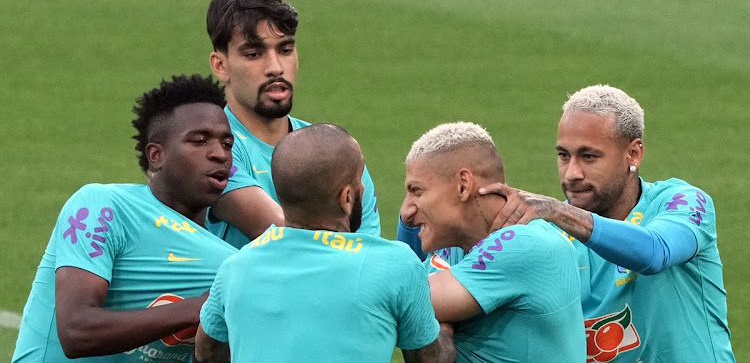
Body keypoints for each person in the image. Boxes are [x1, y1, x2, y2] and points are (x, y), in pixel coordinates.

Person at [479, 85, 735, 362]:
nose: (572, 173)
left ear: (634, 154)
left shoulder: (682, 201)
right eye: (564, 156)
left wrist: (558, 212)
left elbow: (655, 252)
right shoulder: (547, 234)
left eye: (589, 157)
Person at [12, 75, 239, 362]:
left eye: (227, 144)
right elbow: (77, 331)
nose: (219, 154)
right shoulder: (104, 207)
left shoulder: (221, 250)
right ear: (156, 155)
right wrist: (204, 307)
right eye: (199, 141)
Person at [194, 123, 454, 362]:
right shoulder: (395, 264)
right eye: (359, 179)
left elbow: (206, 351)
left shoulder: (235, 267)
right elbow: (428, 358)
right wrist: (449, 324)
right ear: (347, 197)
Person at [204, 0, 381, 248]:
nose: (275, 67)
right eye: (254, 54)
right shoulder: (212, 149)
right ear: (220, 66)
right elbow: (284, 235)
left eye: (285, 50)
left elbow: (370, 251)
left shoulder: (335, 151)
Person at [400, 121, 585, 362]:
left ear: (463, 185)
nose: (406, 211)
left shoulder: (526, 243)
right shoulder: (452, 248)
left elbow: (394, 301)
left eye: (417, 191)